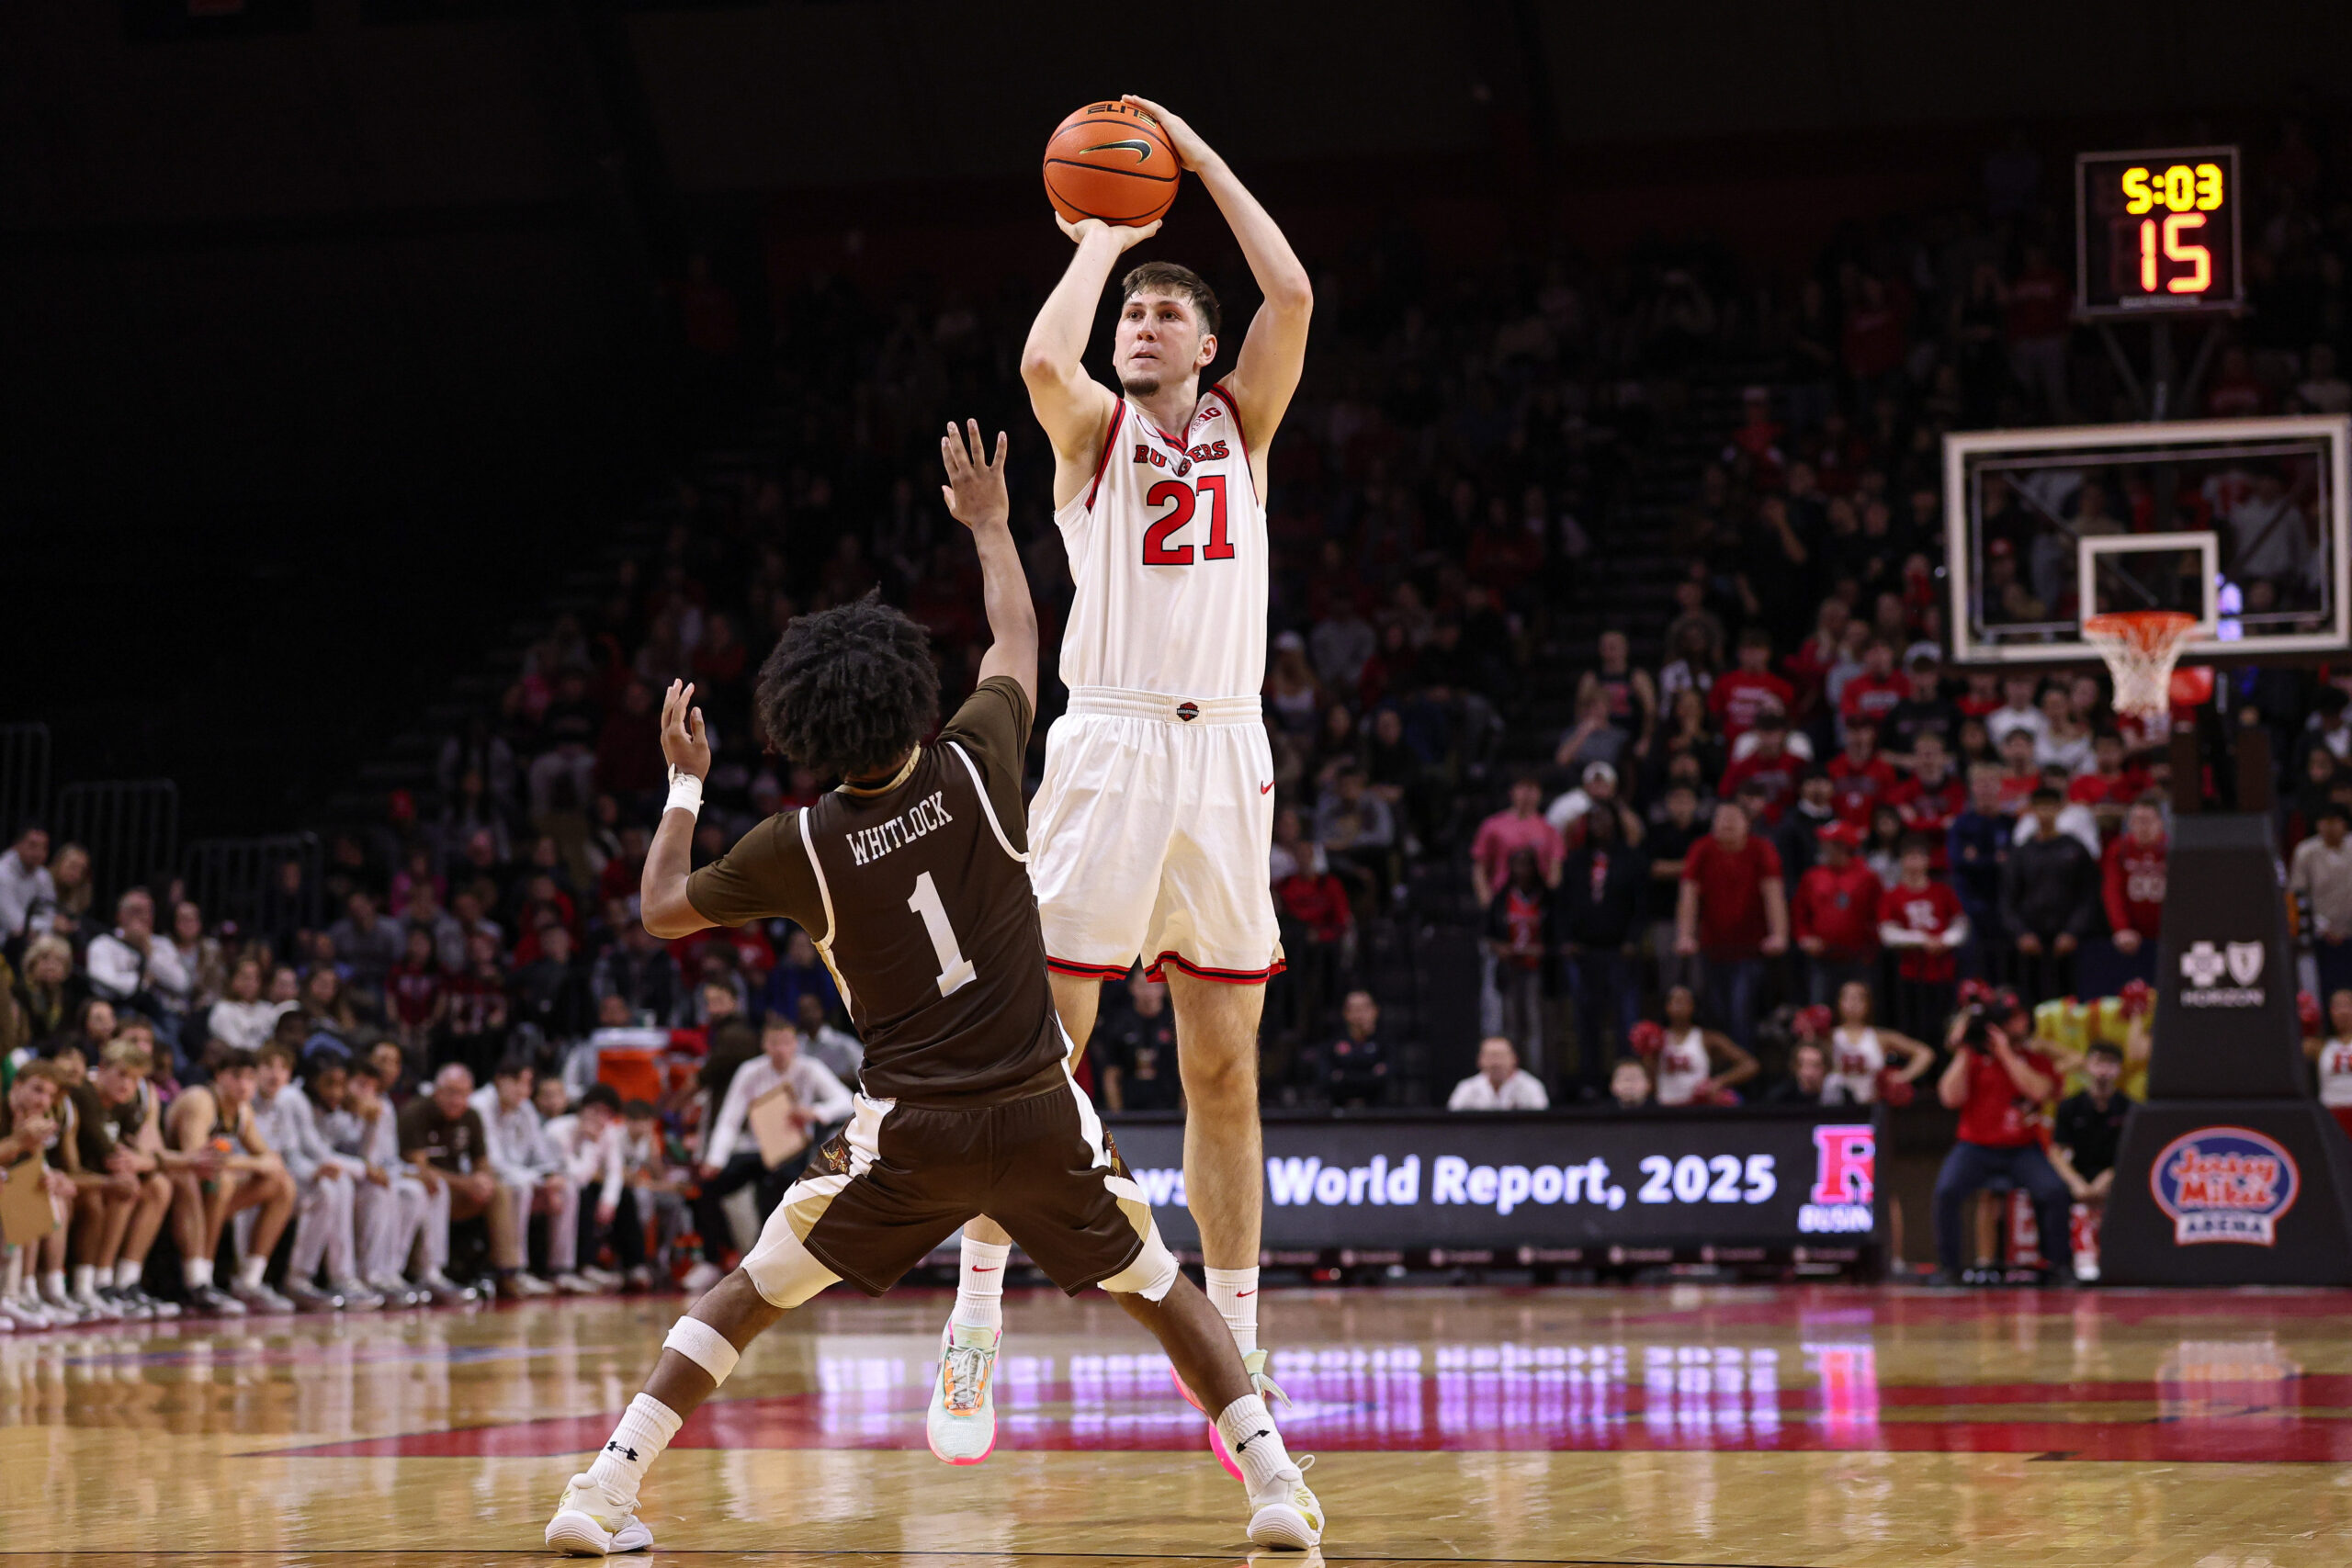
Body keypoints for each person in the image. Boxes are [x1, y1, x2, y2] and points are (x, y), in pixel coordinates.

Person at [559, 417, 1322, 1553]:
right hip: (1034, 1108)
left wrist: (683, 788)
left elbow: (661, 908)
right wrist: (989, 527)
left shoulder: (797, 845)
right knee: (1167, 1292)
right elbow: (1016, 632)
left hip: (907, 1131)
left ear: (803, 730)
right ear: (913, 693)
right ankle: (1273, 1491)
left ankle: (603, 1492)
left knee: (745, 1294)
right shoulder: (978, 759)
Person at [949, 93, 1316, 1461]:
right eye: (1133, 319)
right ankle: (978, 1309)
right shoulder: (1093, 438)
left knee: (1226, 1069)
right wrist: (1100, 239)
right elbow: (1044, 359)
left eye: (1168, 315)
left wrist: (1202, 165)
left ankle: (1237, 1352)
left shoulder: (1247, 425)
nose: (1143, 328)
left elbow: (1291, 287)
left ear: (1209, 346)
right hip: (1103, 742)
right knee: (1040, 1054)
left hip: (1225, 745)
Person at [691, 1015, 854, 1273]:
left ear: (795, 1044)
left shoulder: (809, 1069)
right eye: (774, 1043)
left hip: (793, 1152)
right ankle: (712, 1259)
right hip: (754, 1149)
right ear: (764, 1045)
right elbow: (729, 1120)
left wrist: (814, 1112)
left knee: (781, 1185)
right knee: (710, 1186)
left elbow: (845, 1101)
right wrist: (715, 1160)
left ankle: (773, 1259)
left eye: (786, 1042)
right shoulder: (749, 1072)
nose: (780, 1050)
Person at [1931, 1010, 2069, 1288]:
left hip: (2022, 1148)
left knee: (2054, 1191)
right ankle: (1949, 1268)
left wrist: (2006, 1054)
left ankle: (2059, 1266)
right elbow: (1949, 1097)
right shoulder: (1972, 1060)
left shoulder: (2035, 1060)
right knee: (1946, 1190)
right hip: (1975, 1147)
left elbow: (2040, 1091)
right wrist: (1962, 1049)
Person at [164, 1044, 298, 1314]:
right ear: (219, 1076)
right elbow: (197, 1160)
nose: (244, 1085)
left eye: (250, 1078)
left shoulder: (242, 1110)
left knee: (282, 1184)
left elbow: (270, 1160)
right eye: (236, 1076)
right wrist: (250, 1163)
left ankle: (250, 1281)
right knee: (219, 1181)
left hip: (204, 1189)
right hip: (175, 1184)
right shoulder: (201, 1101)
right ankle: (199, 1280)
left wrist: (252, 1163)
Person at [251, 1041, 381, 1311]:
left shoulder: (320, 1104)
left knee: (338, 1184)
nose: (337, 1091)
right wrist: (347, 1168)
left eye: (340, 1083)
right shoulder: (292, 1099)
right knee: (327, 1188)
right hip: (270, 1177)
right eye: (329, 1082)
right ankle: (298, 1279)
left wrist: (364, 1124)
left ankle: (343, 1277)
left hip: (288, 1176)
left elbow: (323, 1148)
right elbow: (295, 1152)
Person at [317, 1059, 447, 1305]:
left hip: (367, 1176)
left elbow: (383, 1160)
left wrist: (373, 1125)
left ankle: (391, 1273)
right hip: (345, 1177)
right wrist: (367, 1167)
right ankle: (353, 1276)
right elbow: (335, 1155)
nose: (368, 1093)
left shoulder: (381, 1108)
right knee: (372, 1191)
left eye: (373, 1088)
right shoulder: (333, 1108)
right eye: (361, 1085)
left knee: (419, 1189)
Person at [399, 1063, 521, 1300]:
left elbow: (482, 1161)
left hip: (460, 1191)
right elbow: (420, 1167)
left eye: (464, 1093)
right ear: (437, 1090)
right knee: (436, 1187)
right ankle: (431, 1272)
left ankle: (507, 1272)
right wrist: (467, 1184)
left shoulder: (471, 1116)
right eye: (451, 1092)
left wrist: (483, 1180)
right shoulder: (415, 1113)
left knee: (500, 1191)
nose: (457, 1100)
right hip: (434, 1188)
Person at [1674, 795, 1789, 1049]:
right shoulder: (1701, 848)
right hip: (1712, 948)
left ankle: (1745, 1075)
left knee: (1741, 1011)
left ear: (1747, 822)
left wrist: (1779, 934)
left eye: (1733, 818)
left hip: (1749, 949)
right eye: (1721, 818)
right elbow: (1689, 893)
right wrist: (1685, 935)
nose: (1726, 823)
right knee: (1716, 1012)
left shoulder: (1761, 849)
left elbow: (1773, 893)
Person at [471, 1056, 586, 1295]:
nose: (523, 1090)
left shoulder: (525, 1108)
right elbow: (493, 1162)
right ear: (499, 1080)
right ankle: (516, 1270)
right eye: (516, 1082)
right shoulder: (480, 1105)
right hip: (488, 1180)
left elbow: (542, 1154)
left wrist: (551, 1176)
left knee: (566, 1188)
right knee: (520, 1188)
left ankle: (560, 1270)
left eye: (527, 1084)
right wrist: (539, 1180)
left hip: (523, 1177)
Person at [2000, 787, 2099, 1004]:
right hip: (2030, 942)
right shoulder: (2022, 852)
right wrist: (2021, 933)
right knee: (2029, 1001)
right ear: (2031, 810)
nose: (2045, 813)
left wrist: (2073, 931)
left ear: (2060, 809)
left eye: (2050, 806)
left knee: (2070, 1000)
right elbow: (2008, 899)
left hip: (2067, 941)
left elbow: (2088, 895)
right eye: (2040, 807)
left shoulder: (2075, 849)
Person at [2049, 1040, 2133, 1281]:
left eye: (2110, 1064)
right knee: (2053, 1193)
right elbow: (2057, 1151)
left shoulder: (2129, 1109)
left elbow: (2134, 1153)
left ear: (2119, 1069)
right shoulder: (2070, 1106)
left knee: (2132, 1194)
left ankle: (2120, 1261)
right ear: (2087, 1065)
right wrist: (2076, 1183)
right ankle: (2061, 1265)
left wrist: (2109, 1178)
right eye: (2098, 1063)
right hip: (2080, 1174)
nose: (2103, 1070)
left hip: (2116, 1175)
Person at [1878, 834, 1969, 1040]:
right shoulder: (1893, 895)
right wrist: (1922, 940)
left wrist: (1944, 941)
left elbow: (1961, 925)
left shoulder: (1942, 891)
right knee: (1912, 1029)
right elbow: (1887, 933)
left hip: (1943, 972)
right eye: (1909, 857)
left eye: (1919, 857)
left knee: (1944, 1027)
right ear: (1901, 861)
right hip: (1909, 974)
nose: (1914, 863)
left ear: (1928, 860)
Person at [546, 1083, 637, 1289]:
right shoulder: (558, 1131)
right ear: (583, 1108)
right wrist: (590, 1143)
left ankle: (634, 1265)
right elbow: (577, 1177)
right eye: (596, 1111)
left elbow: (615, 1171)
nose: (600, 1119)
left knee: (625, 1195)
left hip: (579, 1186)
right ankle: (575, 1266)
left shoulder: (609, 1132)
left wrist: (608, 1202)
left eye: (607, 1114)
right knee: (581, 1194)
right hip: (561, 1188)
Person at [1792, 822, 1883, 1006]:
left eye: (1828, 843)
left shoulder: (1868, 878)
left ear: (1843, 847)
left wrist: (1871, 950)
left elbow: (1878, 915)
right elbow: (1799, 913)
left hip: (1858, 960)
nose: (1822, 847)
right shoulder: (1812, 876)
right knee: (1820, 1011)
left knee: (1859, 1011)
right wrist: (1804, 938)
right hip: (1821, 959)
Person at [1822, 980, 1935, 1106]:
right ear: (1838, 1002)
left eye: (1859, 998)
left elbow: (1925, 1053)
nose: (1853, 1003)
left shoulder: (1880, 1037)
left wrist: (1902, 1076)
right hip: (1833, 1107)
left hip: (1872, 1105)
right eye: (1847, 998)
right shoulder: (1828, 1036)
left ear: (1869, 1004)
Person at [1645, 986, 1758, 1106]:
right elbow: (1648, 1079)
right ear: (1666, 1006)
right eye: (1674, 1000)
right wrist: (1648, 1052)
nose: (1679, 1005)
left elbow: (1750, 1065)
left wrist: (1718, 1082)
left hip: (1698, 1110)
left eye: (1684, 1000)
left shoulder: (1708, 1038)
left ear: (1694, 1006)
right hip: (1665, 1110)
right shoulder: (1655, 1038)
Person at [2100, 796, 2166, 981]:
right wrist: (2121, 928)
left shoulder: (2171, 848)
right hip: (2132, 936)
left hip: (2166, 933)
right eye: (2137, 821)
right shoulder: (2119, 849)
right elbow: (2112, 891)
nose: (2142, 827)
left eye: (2147, 821)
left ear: (2160, 823)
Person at [1471, 775, 1565, 907]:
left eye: (1532, 788)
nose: (1527, 793)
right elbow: (1480, 868)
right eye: (1522, 788)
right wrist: (1485, 900)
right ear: (1512, 791)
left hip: (1538, 902)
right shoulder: (1492, 826)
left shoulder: (1549, 829)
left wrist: (1551, 900)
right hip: (1502, 898)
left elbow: (1555, 868)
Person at [1095, 972, 1182, 1112]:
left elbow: (1188, 1074)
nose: (1149, 991)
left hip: (1170, 1108)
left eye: (1155, 985)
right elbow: (1111, 1074)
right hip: (1130, 1108)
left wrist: (1183, 1116)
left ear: (1163, 989)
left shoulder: (1176, 1023)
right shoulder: (1119, 1023)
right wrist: (1118, 1117)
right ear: (1132, 987)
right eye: (1142, 985)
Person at [2292, 808, 2352, 1003]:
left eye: (2335, 821)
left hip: (2350, 931)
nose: (2330, 827)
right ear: (2318, 825)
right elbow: (2298, 896)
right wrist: (2322, 927)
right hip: (2320, 937)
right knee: (2324, 990)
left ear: (2344, 824)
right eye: (2325, 821)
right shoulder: (2306, 852)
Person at [1448, 1035, 1548, 1111]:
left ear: (1514, 1059)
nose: (1496, 1063)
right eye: (1490, 1056)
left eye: (1501, 1056)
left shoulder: (1531, 1087)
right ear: (1479, 1060)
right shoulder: (1467, 1088)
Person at [1759, 1040, 1829, 1105]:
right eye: (1803, 1065)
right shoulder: (1779, 1099)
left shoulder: (1835, 1097)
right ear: (1795, 1068)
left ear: (1826, 1068)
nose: (1809, 1072)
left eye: (1816, 1065)